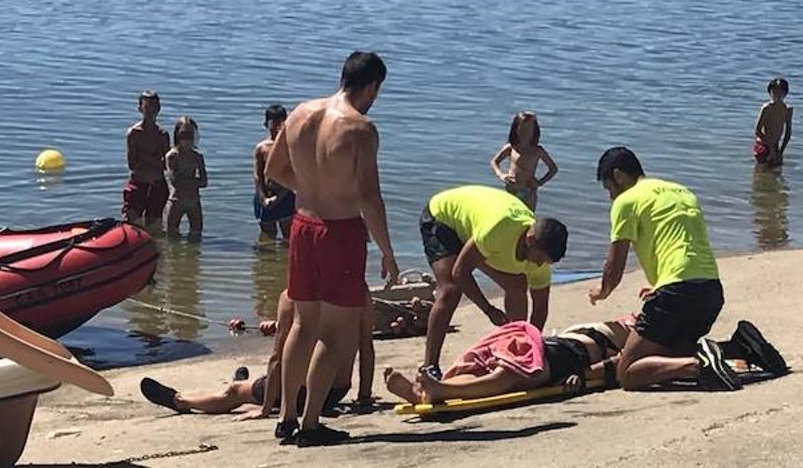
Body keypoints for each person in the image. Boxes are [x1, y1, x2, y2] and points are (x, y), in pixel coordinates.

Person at [263, 51, 399, 447]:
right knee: (335, 333)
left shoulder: (301, 113)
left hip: (303, 226)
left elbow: (274, 170)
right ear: (372, 85)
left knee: (303, 326)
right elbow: (370, 198)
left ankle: (286, 418)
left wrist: (309, 189)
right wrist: (387, 252)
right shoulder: (361, 129)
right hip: (340, 231)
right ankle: (309, 425)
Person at [587, 147, 786, 392]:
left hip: (677, 293)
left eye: (609, 189)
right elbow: (681, 244)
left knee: (627, 372)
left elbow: (614, 268)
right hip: (710, 291)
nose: (610, 197)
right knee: (670, 352)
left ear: (618, 176)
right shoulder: (681, 191)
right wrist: (661, 285)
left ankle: (699, 365)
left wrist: (601, 291)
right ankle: (736, 348)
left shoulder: (626, 201)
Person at [384, 315, 787, 404]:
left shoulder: (620, 328)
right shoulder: (630, 337)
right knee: (515, 375)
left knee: (499, 367)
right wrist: (584, 377)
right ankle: (438, 389)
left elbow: (610, 368)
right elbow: (613, 369)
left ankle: (436, 387)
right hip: (563, 352)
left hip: (556, 344)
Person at [418, 185, 569, 378]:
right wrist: (488, 309)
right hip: (442, 218)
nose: (540, 264)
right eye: (539, 258)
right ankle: (429, 366)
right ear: (530, 240)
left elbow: (540, 309)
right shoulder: (499, 229)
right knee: (451, 291)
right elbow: (460, 272)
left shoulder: (541, 263)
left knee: (517, 285)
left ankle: (513, 353)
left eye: (545, 262)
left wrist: (532, 347)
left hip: (480, 237)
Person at [140, 300, 375, 416]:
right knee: (254, 383)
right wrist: (364, 396)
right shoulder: (358, 292)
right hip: (337, 391)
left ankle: (180, 401)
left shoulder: (294, 297)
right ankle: (249, 386)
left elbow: (278, 359)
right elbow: (366, 346)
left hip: (303, 394)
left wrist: (265, 408)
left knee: (232, 393)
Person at [489, 111, 559, 211]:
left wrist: (540, 182)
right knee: (509, 216)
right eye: (522, 129)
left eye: (528, 130)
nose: (525, 132)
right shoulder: (511, 148)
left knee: (528, 220)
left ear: (534, 131)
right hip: (511, 189)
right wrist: (501, 174)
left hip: (528, 190)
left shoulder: (537, 150)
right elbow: (494, 161)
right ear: (516, 129)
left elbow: (553, 169)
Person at [123, 91, 170, 226]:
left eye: (154, 106)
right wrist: (154, 160)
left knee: (155, 226)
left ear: (159, 109)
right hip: (138, 184)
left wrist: (144, 157)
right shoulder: (134, 133)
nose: (151, 110)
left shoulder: (162, 135)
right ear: (140, 108)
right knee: (130, 224)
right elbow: (132, 164)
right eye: (147, 106)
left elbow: (166, 165)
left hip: (157, 185)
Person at [254, 104, 296, 240]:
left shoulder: (290, 147)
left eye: (281, 122)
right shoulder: (262, 148)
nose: (278, 126)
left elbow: (293, 176)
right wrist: (263, 198)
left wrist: (279, 198)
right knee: (267, 237)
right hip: (265, 194)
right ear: (266, 124)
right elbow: (257, 175)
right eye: (274, 122)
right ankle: (267, 261)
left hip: (285, 195)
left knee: (288, 236)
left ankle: (286, 261)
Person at [165, 116, 208, 238]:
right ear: (177, 135)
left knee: (196, 236)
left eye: (190, 135)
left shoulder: (197, 156)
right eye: (183, 135)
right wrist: (193, 182)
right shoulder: (172, 156)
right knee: (171, 237)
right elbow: (175, 181)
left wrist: (186, 181)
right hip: (176, 201)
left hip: (194, 201)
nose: (187, 140)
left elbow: (204, 182)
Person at [753, 78, 792, 167]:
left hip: (775, 145)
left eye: (780, 92)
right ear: (769, 92)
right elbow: (757, 131)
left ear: (785, 93)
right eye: (774, 91)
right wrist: (771, 148)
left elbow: (788, 132)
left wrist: (781, 151)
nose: (777, 95)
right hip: (763, 144)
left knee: (776, 171)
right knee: (762, 172)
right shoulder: (767, 108)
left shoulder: (787, 109)